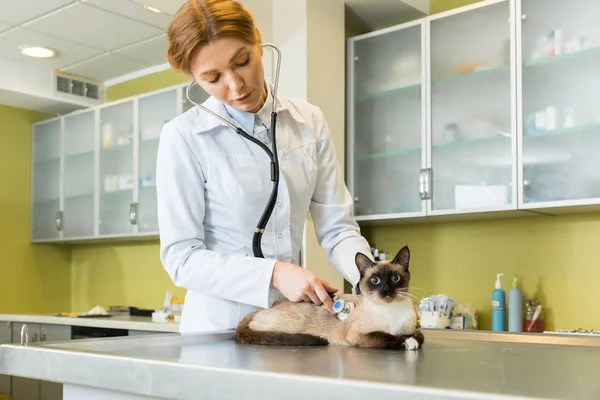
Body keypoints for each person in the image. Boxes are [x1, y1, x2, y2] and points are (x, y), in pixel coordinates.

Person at [156, 0, 373, 333]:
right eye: (212, 78)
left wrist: (371, 278)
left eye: (242, 62)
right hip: (218, 329)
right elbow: (181, 258)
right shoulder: (184, 136)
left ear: (258, 40)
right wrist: (275, 273)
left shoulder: (308, 120)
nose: (235, 85)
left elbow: (337, 226)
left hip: (290, 323)